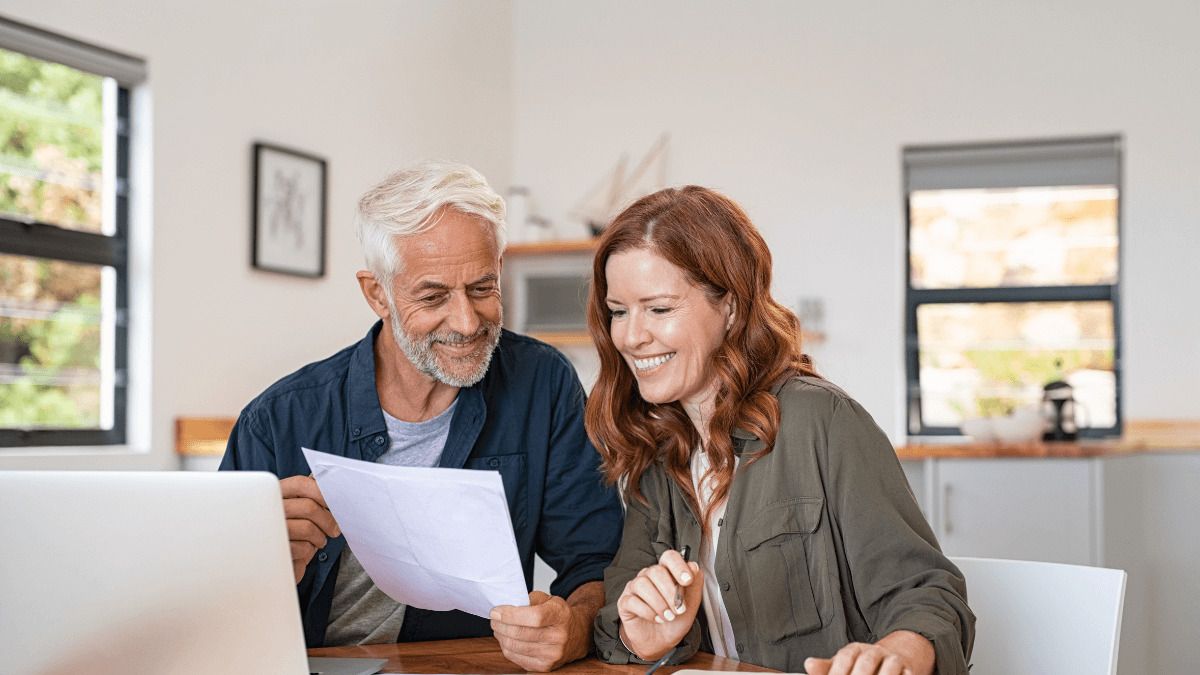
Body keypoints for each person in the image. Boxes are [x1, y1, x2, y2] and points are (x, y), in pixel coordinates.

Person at [220, 161, 623, 672]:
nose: (466, 321)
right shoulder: (278, 419)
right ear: (376, 294)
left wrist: (574, 626)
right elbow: (210, 605)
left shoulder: (541, 383)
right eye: (432, 296)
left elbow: (596, 561)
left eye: (482, 288)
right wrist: (261, 561)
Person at [587, 186, 974, 675]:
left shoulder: (824, 422)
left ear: (729, 305)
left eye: (659, 308)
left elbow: (928, 596)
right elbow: (614, 619)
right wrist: (642, 635)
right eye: (618, 310)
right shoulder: (657, 449)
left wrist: (896, 654)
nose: (630, 335)